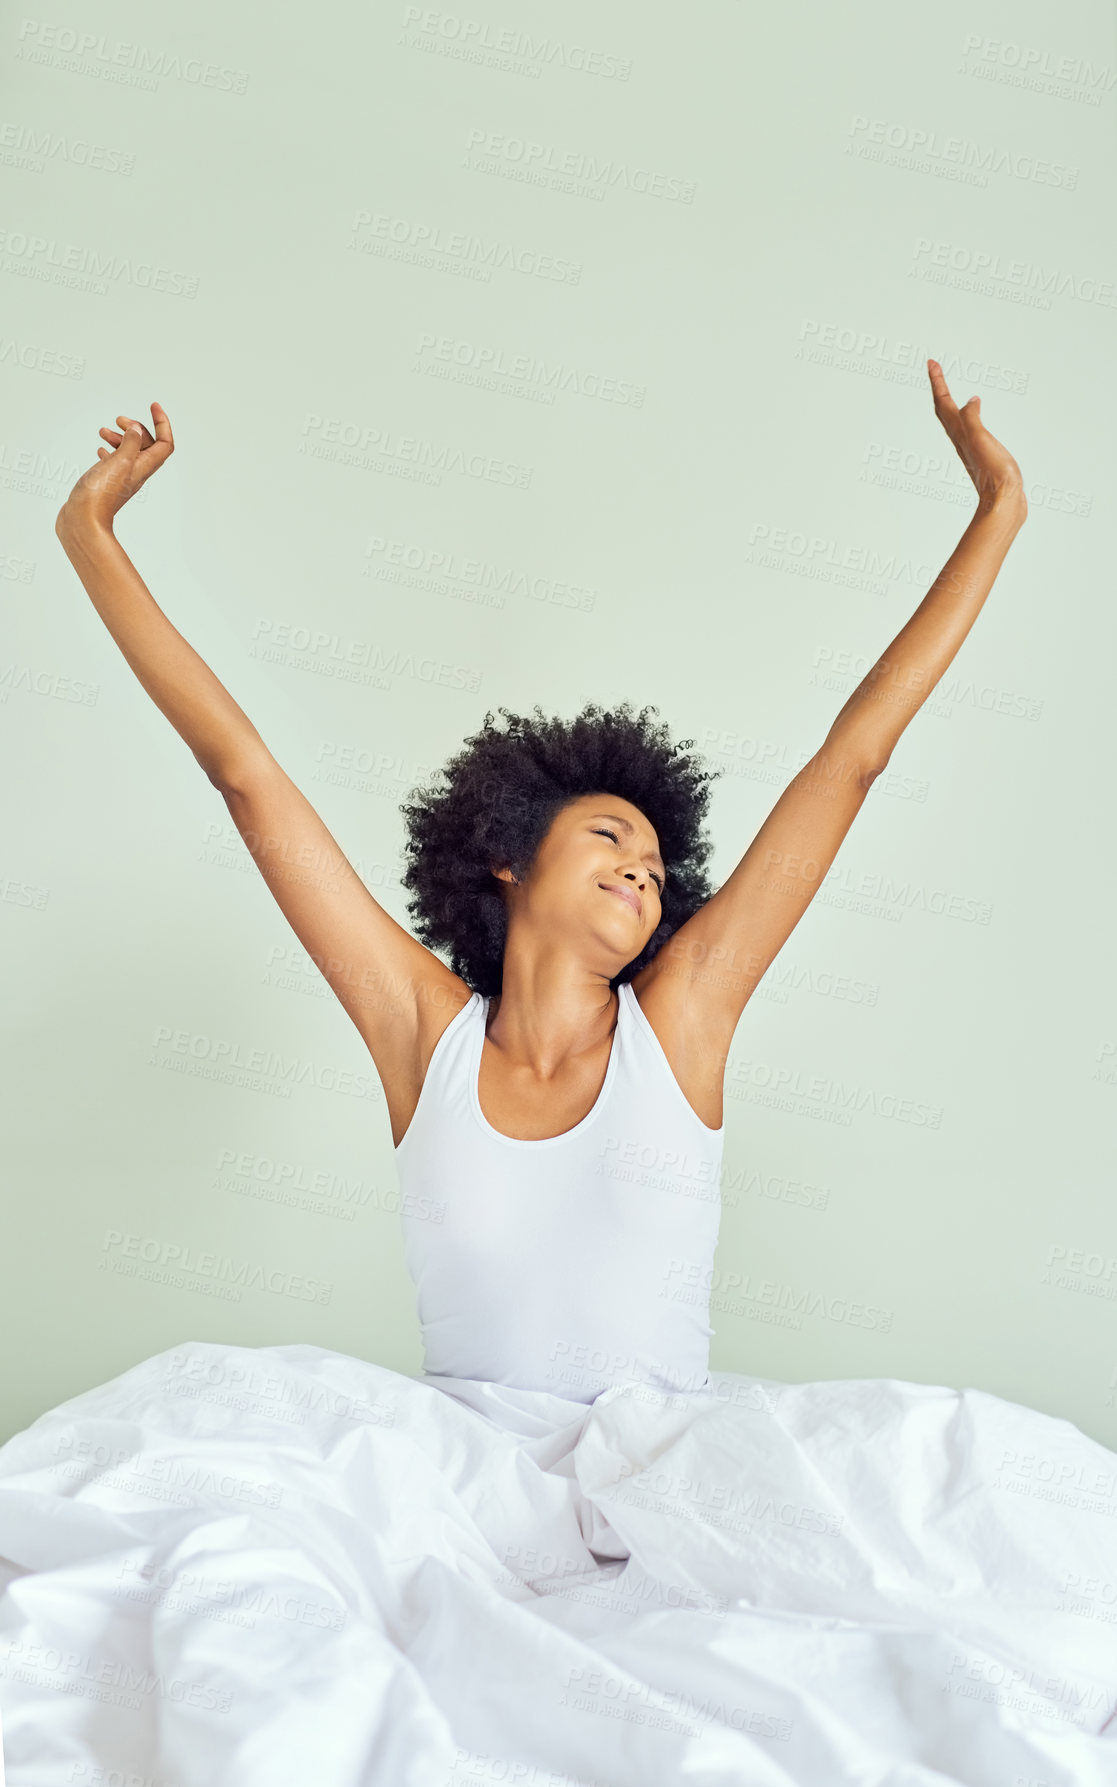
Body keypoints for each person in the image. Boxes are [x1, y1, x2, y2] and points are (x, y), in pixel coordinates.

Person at [53, 364, 1028, 1408]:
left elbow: (851, 760)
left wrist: (998, 513)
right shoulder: (423, 1036)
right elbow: (246, 777)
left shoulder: (681, 1018)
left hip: (662, 1478)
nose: (640, 871)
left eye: (656, 869)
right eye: (611, 835)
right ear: (508, 856)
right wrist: (90, 538)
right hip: (458, 1486)